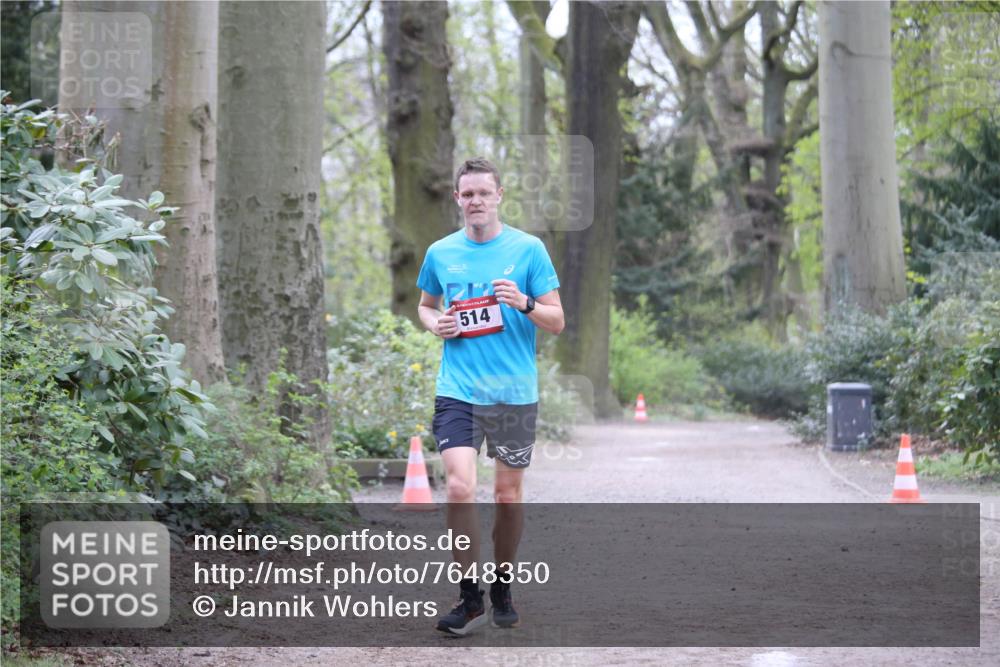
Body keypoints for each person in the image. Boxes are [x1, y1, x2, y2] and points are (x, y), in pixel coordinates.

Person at [416, 157, 564, 636]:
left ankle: (502, 584)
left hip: (513, 394)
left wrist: (522, 301)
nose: (475, 201)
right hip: (457, 391)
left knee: (506, 495)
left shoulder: (528, 250)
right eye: (467, 194)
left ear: (499, 195)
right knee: (459, 487)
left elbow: (557, 320)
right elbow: (424, 305)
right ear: (456, 199)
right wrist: (435, 324)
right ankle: (469, 596)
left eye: (483, 192)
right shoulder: (440, 252)